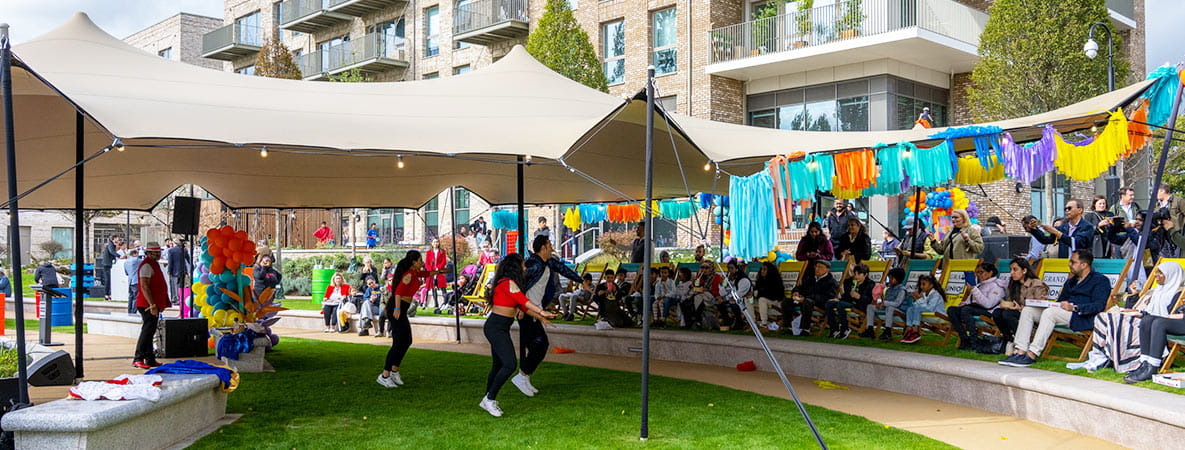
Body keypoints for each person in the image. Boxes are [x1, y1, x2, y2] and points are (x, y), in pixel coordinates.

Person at [1000, 250, 1111, 367]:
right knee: (1028, 310)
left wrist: (1074, 307)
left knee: (1050, 313)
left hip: (1081, 315)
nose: (1069, 264)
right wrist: (1046, 303)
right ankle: (1020, 351)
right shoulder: (1071, 282)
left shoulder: (1100, 280)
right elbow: (1059, 303)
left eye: (1073, 262)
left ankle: (1032, 354)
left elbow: (1099, 306)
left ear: (1084, 265)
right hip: (1063, 313)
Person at [478, 253, 557, 417]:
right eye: (523, 265)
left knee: (498, 365)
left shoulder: (508, 283)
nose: (525, 268)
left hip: (499, 327)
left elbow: (524, 307)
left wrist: (541, 317)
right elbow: (524, 301)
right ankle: (489, 399)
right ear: (515, 267)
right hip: (496, 327)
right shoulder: (508, 282)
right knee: (509, 364)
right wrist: (541, 310)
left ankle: (487, 397)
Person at [1075, 262, 1183, 374]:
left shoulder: (1177, 294)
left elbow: (1166, 317)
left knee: (1117, 321)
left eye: (1160, 273)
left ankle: (1121, 360)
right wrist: (1134, 295)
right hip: (1142, 319)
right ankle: (1102, 357)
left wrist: (1140, 313)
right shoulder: (1155, 291)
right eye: (1156, 272)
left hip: (1150, 323)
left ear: (1171, 274)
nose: (1156, 275)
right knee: (1103, 317)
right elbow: (1135, 307)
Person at [514, 235, 583, 396]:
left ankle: (524, 377)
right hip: (527, 311)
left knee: (536, 345)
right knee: (539, 344)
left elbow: (563, 269)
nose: (552, 247)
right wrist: (519, 306)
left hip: (536, 310)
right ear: (543, 248)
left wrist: (580, 280)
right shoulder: (532, 264)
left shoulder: (548, 262)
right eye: (550, 245)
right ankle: (522, 376)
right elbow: (519, 283)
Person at [377, 250, 445, 388]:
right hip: (397, 308)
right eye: (420, 260)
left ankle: (394, 370)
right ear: (414, 262)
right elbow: (398, 292)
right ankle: (384, 375)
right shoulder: (408, 274)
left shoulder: (414, 272)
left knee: (407, 340)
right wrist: (397, 309)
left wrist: (439, 272)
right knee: (398, 342)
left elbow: (425, 273)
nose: (422, 262)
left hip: (402, 307)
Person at [947, 263, 1006, 350]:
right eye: (977, 272)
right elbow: (970, 301)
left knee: (966, 310)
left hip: (989, 312)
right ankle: (964, 339)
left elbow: (988, 304)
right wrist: (965, 302)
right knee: (952, 310)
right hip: (973, 309)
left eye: (981, 272)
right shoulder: (979, 285)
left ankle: (973, 340)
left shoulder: (996, 287)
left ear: (990, 273)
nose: (978, 275)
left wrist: (974, 290)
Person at [992, 258, 1048, 349]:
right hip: (1018, 311)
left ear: (1024, 270)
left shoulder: (1037, 284)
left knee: (1007, 314)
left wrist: (1019, 308)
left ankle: (1021, 341)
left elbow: (1039, 306)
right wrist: (1007, 304)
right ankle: (1009, 339)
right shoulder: (1013, 284)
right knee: (997, 313)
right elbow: (1011, 301)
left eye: (1015, 269)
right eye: (1011, 270)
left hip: (1032, 314)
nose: (1011, 273)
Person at [132, 243, 169, 369]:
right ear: (148, 253)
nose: (158, 255)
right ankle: (138, 357)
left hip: (152, 304)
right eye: (155, 253)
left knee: (150, 331)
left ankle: (149, 358)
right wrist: (152, 305)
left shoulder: (153, 264)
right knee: (147, 331)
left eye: (159, 252)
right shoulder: (146, 265)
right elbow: (145, 286)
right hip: (147, 304)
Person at [1029, 199, 1094, 259]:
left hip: (1081, 265)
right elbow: (1046, 239)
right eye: (1065, 209)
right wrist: (1033, 229)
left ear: (1080, 210)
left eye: (1069, 208)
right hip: (1063, 265)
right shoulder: (1063, 227)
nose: (1067, 210)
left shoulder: (1087, 227)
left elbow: (1077, 242)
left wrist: (1057, 233)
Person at [787, 260, 837, 336]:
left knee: (807, 302)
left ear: (827, 269)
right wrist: (796, 292)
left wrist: (807, 298)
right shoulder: (810, 279)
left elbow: (828, 297)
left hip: (819, 303)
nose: (817, 269)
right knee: (786, 302)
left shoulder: (831, 282)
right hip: (804, 300)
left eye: (820, 267)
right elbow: (799, 287)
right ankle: (789, 327)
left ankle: (805, 329)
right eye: (816, 266)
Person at [825, 263, 873, 339]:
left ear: (865, 275)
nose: (856, 276)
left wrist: (859, 297)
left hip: (860, 305)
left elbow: (870, 300)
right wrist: (838, 299)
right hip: (848, 302)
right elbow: (846, 296)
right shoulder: (849, 281)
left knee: (841, 305)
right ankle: (834, 328)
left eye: (859, 274)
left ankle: (845, 328)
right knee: (829, 303)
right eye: (855, 274)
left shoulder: (870, 284)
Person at [864, 267, 908, 340]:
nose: (889, 280)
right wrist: (879, 305)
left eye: (891, 278)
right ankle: (870, 329)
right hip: (888, 309)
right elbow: (886, 302)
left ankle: (888, 331)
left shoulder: (902, 290)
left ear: (897, 279)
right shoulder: (889, 290)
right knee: (870, 307)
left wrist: (884, 303)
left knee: (890, 308)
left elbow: (897, 303)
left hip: (900, 311)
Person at [902, 274, 944, 344]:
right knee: (910, 309)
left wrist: (919, 299)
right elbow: (919, 306)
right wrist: (916, 299)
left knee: (917, 308)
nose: (921, 286)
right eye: (921, 284)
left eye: (924, 284)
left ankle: (915, 330)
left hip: (937, 315)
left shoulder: (936, 295)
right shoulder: (924, 294)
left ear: (931, 285)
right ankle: (909, 327)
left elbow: (930, 308)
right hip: (926, 313)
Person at [682, 263, 721, 330]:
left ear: (711, 268)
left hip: (711, 297)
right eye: (702, 267)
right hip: (700, 296)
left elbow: (716, 291)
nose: (704, 269)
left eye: (706, 268)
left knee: (697, 298)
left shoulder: (716, 277)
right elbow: (695, 286)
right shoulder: (701, 276)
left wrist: (704, 290)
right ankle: (690, 322)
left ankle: (696, 320)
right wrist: (698, 277)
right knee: (688, 300)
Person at [718, 261, 751, 331]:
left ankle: (739, 322)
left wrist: (731, 298)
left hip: (742, 299)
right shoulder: (727, 279)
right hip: (729, 298)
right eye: (728, 268)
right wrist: (722, 285)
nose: (730, 270)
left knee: (734, 304)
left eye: (731, 268)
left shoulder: (743, 279)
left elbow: (739, 293)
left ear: (736, 269)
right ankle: (727, 320)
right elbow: (722, 293)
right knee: (720, 303)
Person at [751, 262, 785, 329]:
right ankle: (752, 321)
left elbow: (772, 294)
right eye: (762, 269)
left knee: (762, 299)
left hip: (775, 301)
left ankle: (764, 323)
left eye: (765, 269)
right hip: (763, 299)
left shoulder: (775, 280)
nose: (762, 271)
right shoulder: (760, 279)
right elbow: (757, 289)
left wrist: (757, 293)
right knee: (747, 298)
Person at [166, 239, 191, 310]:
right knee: (181, 285)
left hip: (174, 271)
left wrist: (169, 271)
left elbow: (170, 262)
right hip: (183, 270)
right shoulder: (184, 250)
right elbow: (188, 260)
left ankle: (176, 299)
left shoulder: (171, 250)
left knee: (174, 285)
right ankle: (181, 298)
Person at [424, 239, 448, 308]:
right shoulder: (429, 252)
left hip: (439, 272)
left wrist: (438, 268)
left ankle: (445, 303)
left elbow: (444, 261)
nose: (436, 243)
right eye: (434, 242)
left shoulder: (442, 252)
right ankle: (436, 303)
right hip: (432, 272)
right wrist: (430, 270)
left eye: (437, 242)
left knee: (443, 288)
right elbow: (427, 263)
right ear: (432, 243)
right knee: (433, 288)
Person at [98, 235, 122, 301]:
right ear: (114, 239)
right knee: (108, 279)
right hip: (107, 264)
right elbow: (112, 252)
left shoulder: (112, 245)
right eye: (117, 239)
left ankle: (109, 293)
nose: (118, 240)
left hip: (109, 263)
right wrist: (119, 256)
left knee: (110, 279)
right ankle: (106, 294)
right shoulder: (110, 245)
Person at [122, 250, 143, 315]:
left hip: (130, 281)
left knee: (130, 296)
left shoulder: (126, 262)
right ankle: (133, 311)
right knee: (136, 296)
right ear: (135, 254)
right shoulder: (137, 260)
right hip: (136, 280)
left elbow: (126, 273)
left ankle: (129, 311)